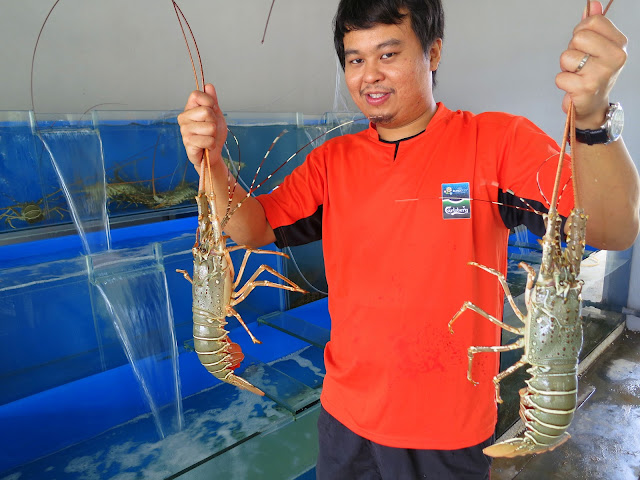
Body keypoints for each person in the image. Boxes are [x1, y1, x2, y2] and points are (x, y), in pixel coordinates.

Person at [178, 0, 639, 478]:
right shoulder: (330, 162)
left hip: (446, 433)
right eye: (355, 59)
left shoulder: (496, 142)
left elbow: (611, 227)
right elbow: (251, 227)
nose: (369, 75)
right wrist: (210, 163)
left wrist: (592, 119)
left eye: (388, 54)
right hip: (344, 418)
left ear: (433, 53)